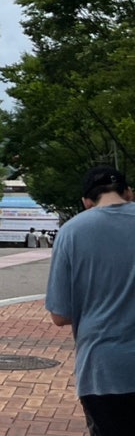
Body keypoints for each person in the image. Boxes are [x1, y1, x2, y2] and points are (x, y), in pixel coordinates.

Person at [45, 165, 135, 435]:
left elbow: (60, 315)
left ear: (86, 201)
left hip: (103, 369)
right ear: (129, 192)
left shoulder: (71, 232)